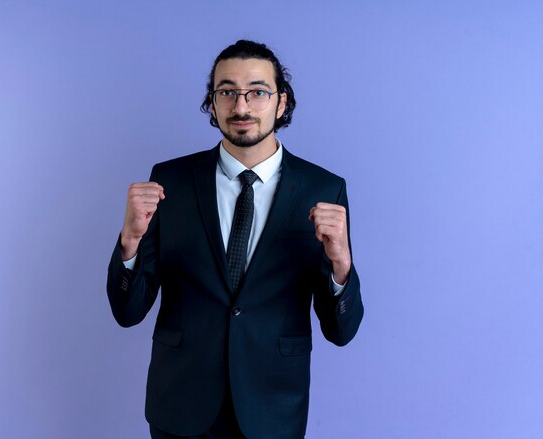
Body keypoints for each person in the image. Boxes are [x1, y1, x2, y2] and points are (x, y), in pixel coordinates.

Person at [106, 40, 364, 439]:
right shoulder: (169, 182)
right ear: (212, 104)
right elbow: (128, 312)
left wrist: (341, 265)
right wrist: (129, 242)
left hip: (272, 406)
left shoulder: (324, 188)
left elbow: (340, 332)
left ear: (281, 103)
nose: (241, 106)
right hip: (180, 404)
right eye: (227, 92)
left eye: (257, 92)